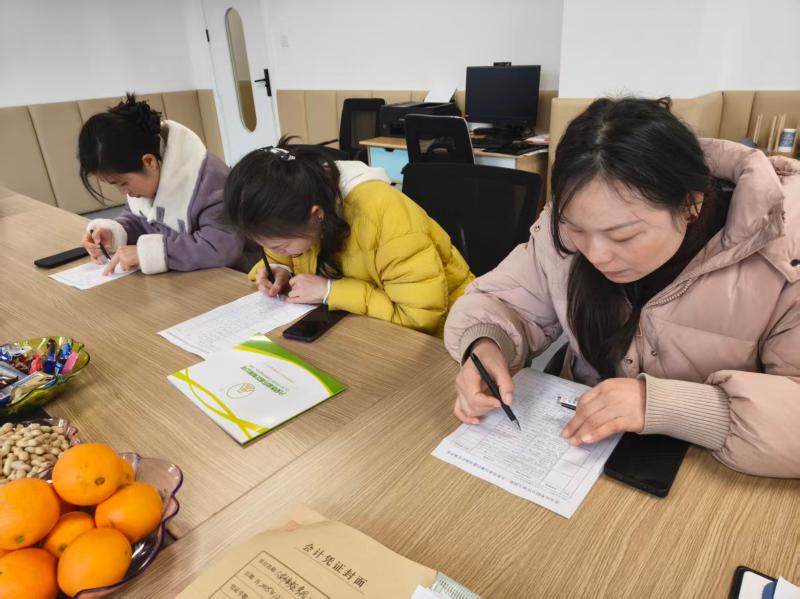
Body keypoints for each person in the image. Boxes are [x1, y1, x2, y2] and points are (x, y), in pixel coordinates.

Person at [445, 97, 800, 477]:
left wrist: (662, 405)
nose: (596, 255)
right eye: (577, 230)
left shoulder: (783, 248)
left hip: (709, 474)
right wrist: (485, 345)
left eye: (623, 236)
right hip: (581, 451)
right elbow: (500, 300)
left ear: (691, 204)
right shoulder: (563, 226)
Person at [222, 140, 474, 336]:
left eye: (278, 247)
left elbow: (418, 318)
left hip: (452, 330)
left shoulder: (385, 217)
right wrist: (280, 268)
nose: (271, 252)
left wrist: (330, 291)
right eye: (263, 246)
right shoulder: (298, 203)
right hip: (362, 324)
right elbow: (286, 250)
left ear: (317, 214)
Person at [78, 93, 252, 274]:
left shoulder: (209, 181)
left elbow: (221, 247)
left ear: (149, 162)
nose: (123, 192)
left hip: (237, 277)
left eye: (122, 183)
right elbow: (141, 219)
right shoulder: (149, 176)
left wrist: (148, 253)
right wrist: (114, 233)